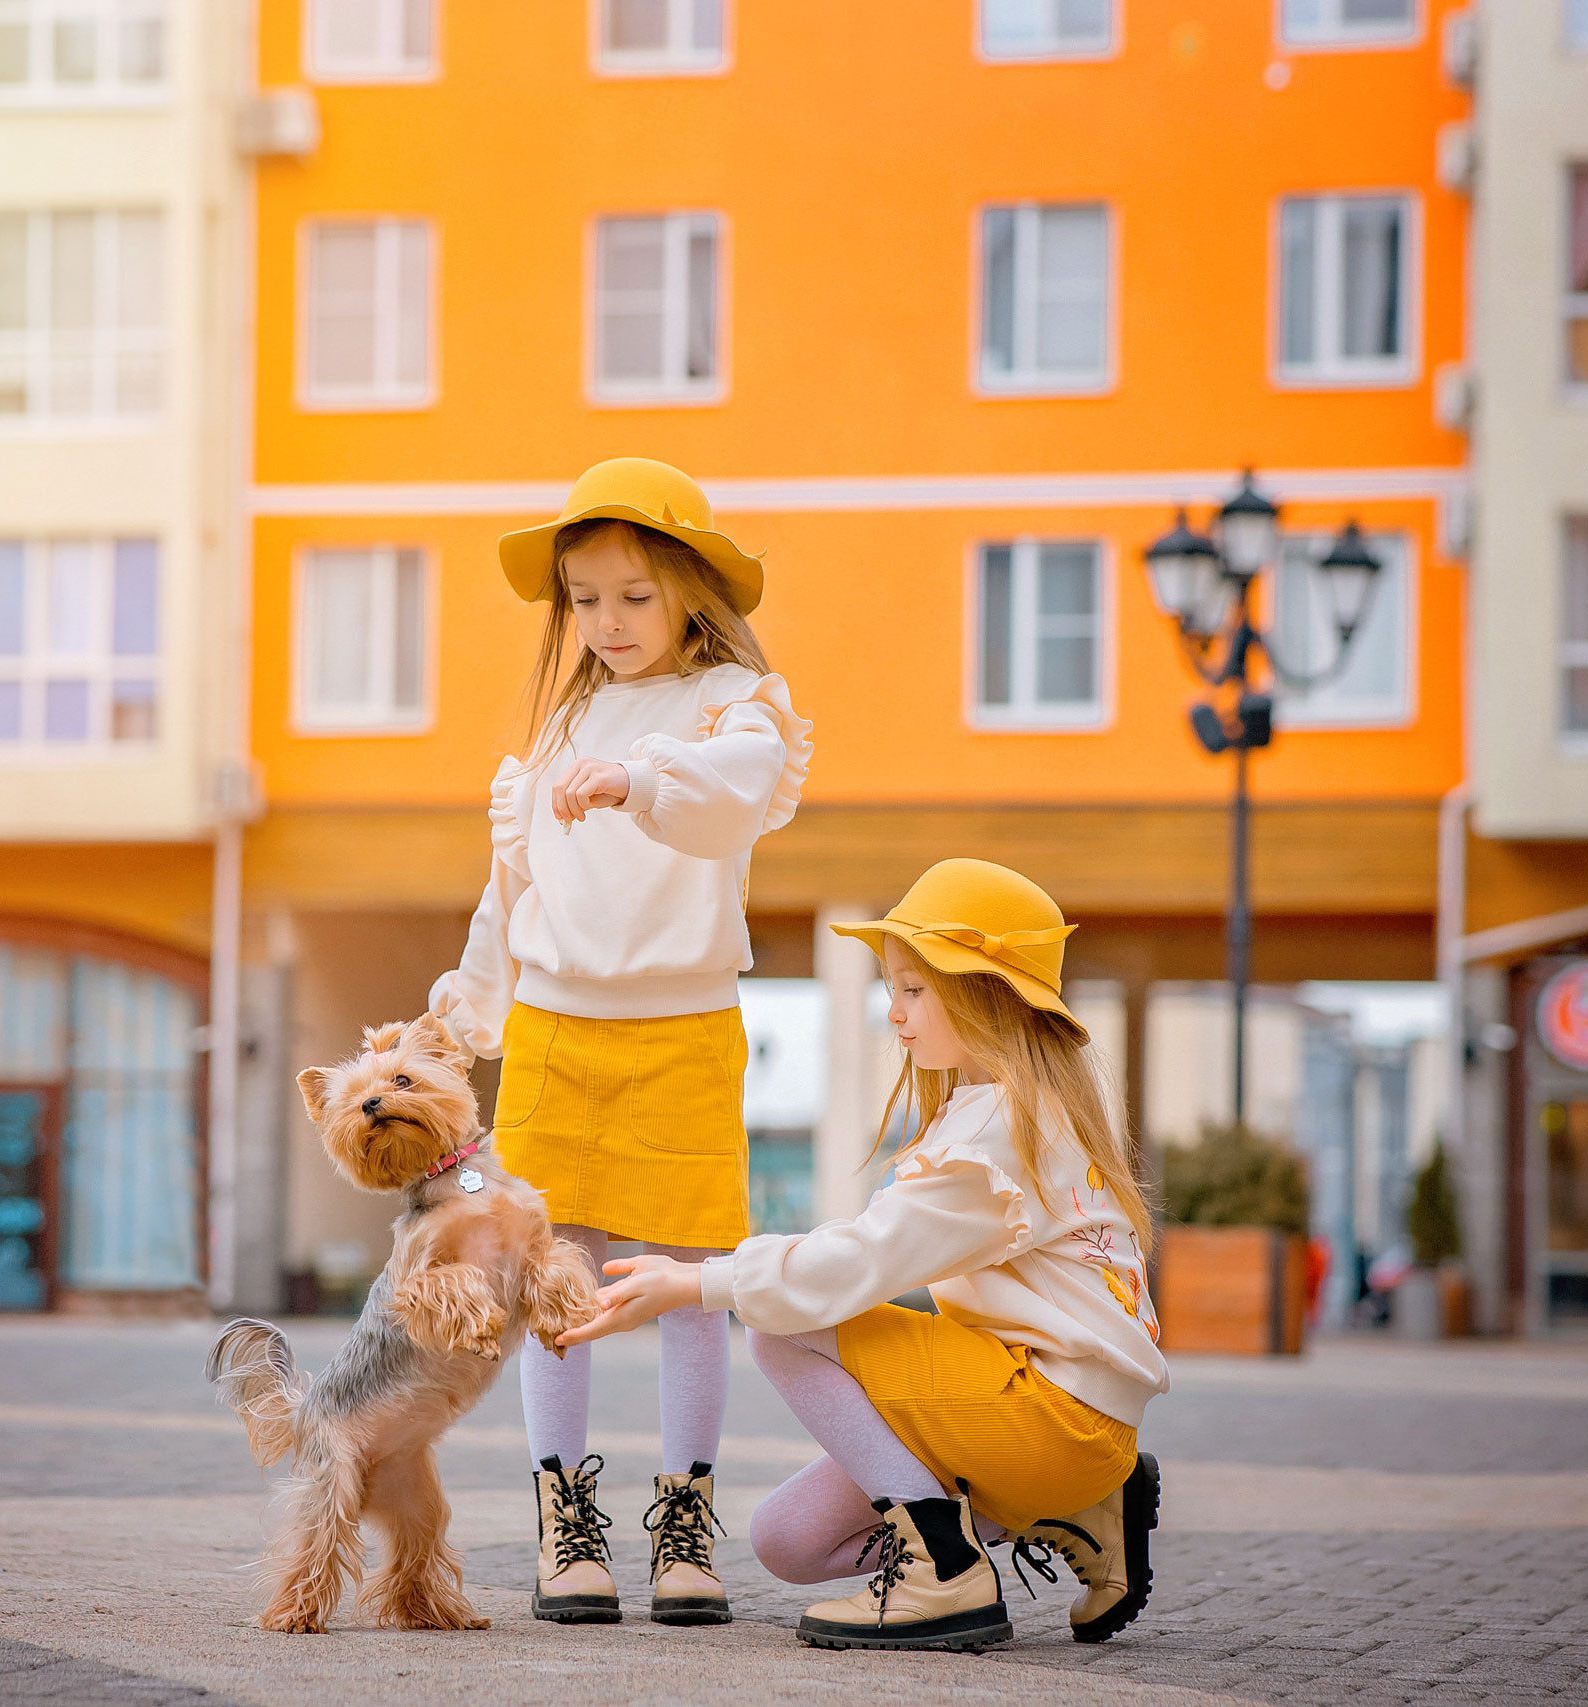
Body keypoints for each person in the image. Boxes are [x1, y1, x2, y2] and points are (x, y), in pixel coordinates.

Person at [561, 859, 1167, 1651]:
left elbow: (859, 1262)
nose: (894, 1013)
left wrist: (699, 1280)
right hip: (1055, 1423)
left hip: (1053, 1416)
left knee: (781, 1328)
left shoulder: (997, 1138)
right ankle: (1077, 1511)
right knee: (787, 1539)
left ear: (984, 990)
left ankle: (946, 1569)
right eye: (894, 989)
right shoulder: (1005, 1113)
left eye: (914, 989)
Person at [427, 457, 811, 1628]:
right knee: (560, 1283)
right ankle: (566, 1525)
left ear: (693, 587)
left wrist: (635, 778)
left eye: (635, 595)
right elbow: (512, 887)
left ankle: (684, 1527)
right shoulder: (556, 730)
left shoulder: (737, 705)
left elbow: (728, 794)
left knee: (688, 1286)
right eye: (584, 598)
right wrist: (464, 1016)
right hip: (552, 1030)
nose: (607, 621)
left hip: (686, 1029)